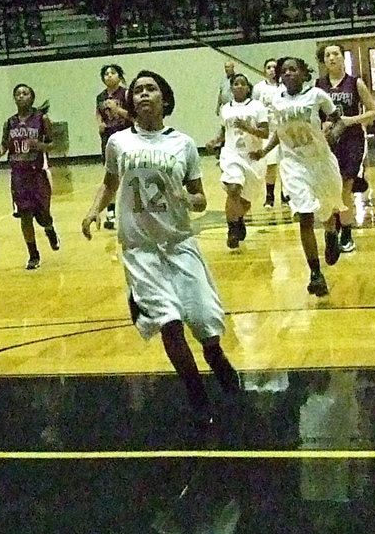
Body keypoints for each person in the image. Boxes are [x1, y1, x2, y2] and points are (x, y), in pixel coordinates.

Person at [82, 70, 241, 428]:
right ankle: (195, 392)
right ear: (131, 102)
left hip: (179, 243)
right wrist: (93, 211)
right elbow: (110, 183)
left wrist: (186, 197)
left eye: (151, 89)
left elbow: (200, 199)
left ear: (164, 99)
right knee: (168, 322)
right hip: (140, 250)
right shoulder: (118, 143)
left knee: (203, 319)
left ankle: (214, 355)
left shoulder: (183, 144)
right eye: (138, 90)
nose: (143, 94)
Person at [250, 57, 345, 298]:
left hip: (320, 161)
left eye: (293, 69)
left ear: (303, 73)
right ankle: (315, 273)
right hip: (293, 163)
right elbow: (279, 132)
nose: (288, 73)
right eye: (284, 71)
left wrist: (334, 133)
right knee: (305, 215)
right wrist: (264, 151)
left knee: (328, 209)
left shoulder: (317, 95)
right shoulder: (276, 100)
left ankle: (331, 233)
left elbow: (338, 120)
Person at [315, 42, 375, 254]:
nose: (332, 58)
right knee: (330, 188)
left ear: (343, 57)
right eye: (327, 55)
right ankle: (332, 230)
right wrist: (321, 125)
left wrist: (351, 120)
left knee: (345, 186)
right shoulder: (318, 86)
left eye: (335, 54)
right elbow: (314, 115)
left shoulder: (355, 83)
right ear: (324, 61)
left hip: (352, 140)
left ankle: (347, 233)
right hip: (329, 142)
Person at [0, 83, 59, 269]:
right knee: (25, 215)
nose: (21, 96)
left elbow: (54, 144)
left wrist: (39, 145)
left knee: (43, 215)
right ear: (14, 98)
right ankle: (33, 254)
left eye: (25, 93)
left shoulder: (41, 119)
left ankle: (49, 228)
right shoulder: (10, 122)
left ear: (32, 97)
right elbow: (4, 144)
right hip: (18, 175)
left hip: (37, 173)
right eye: (18, 94)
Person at [205, 74, 270, 249]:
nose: (239, 86)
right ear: (231, 88)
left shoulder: (257, 106)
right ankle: (232, 230)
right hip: (232, 154)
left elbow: (265, 133)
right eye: (235, 84)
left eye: (242, 84)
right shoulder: (226, 108)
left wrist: (247, 127)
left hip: (253, 156)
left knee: (246, 201)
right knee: (233, 189)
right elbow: (223, 131)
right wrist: (215, 141)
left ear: (248, 88)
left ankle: (238, 218)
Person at [95, 63, 130, 228]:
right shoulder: (100, 97)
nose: (109, 75)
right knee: (111, 175)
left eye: (113, 73)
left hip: (125, 135)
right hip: (108, 138)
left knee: (127, 173)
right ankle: (110, 213)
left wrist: (117, 110)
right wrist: (100, 123)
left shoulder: (126, 94)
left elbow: (132, 115)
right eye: (106, 73)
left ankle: (129, 209)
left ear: (119, 76)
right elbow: (98, 112)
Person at [251, 58, 285, 207]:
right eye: (269, 67)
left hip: (284, 130)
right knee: (271, 165)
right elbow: (253, 108)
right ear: (264, 70)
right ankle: (270, 196)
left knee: (286, 164)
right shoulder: (259, 88)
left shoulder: (284, 87)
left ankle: (286, 195)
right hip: (269, 132)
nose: (272, 70)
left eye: (274, 67)